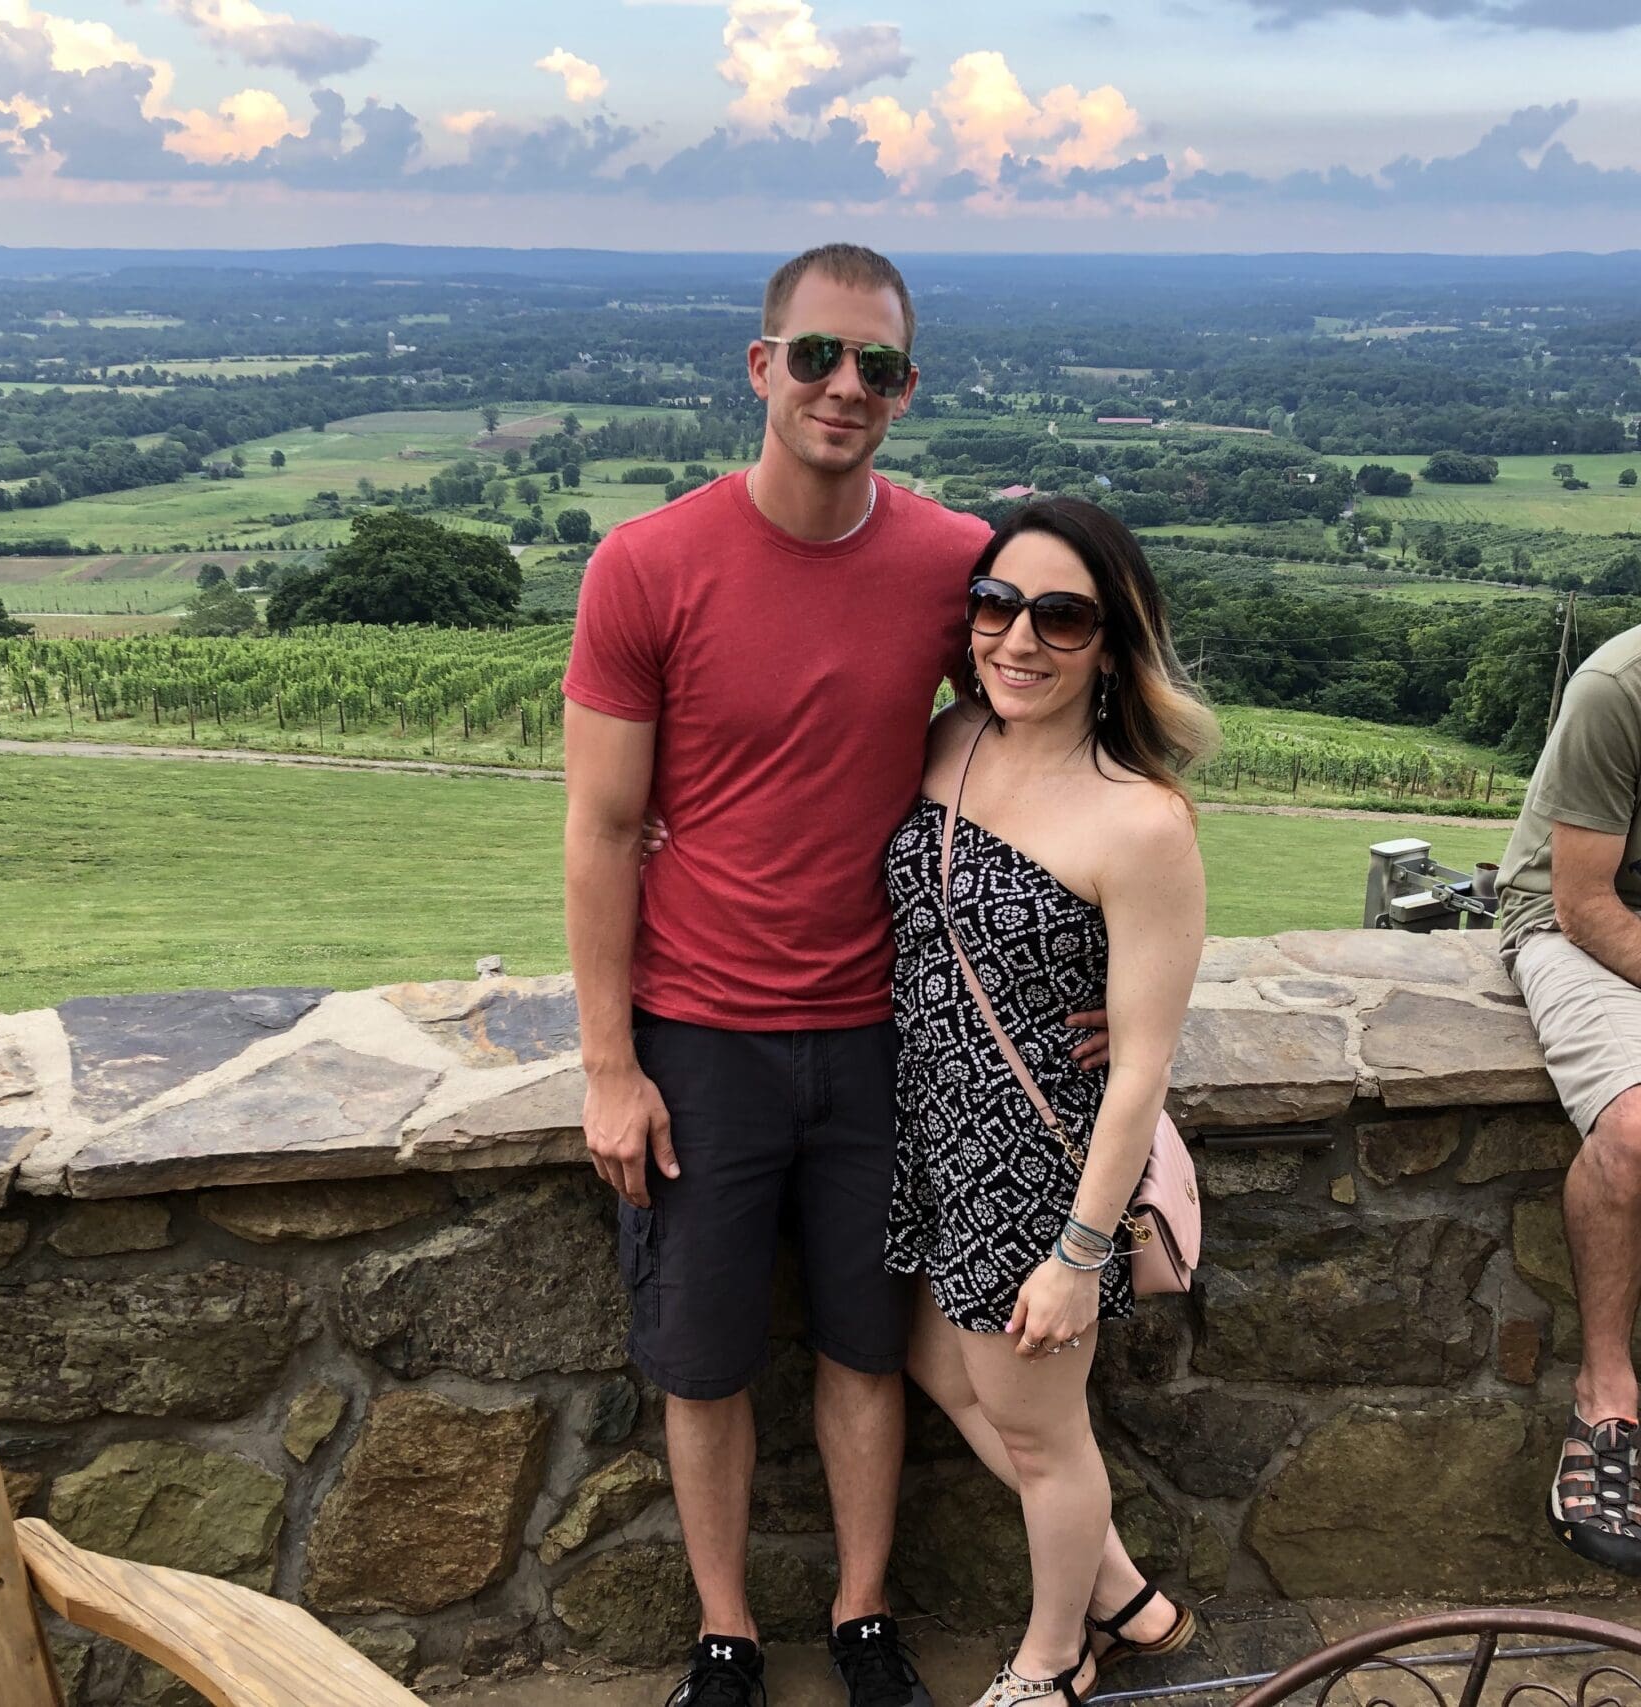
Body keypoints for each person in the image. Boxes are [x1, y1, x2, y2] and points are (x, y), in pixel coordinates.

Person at [561, 244, 1110, 1707]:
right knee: (703, 1357)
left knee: (868, 1347)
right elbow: (604, 824)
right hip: (700, 1033)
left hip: (884, 1033)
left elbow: (1047, 740)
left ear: (907, 390)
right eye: (816, 355)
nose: (843, 386)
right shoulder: (647, 564)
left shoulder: (952, 564)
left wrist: (1108, 955)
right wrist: (611, 1067)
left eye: (875, 365)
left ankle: (867, 1617)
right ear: (761, 367)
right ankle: (726, 1632)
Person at [885, 500, 1214, 1707]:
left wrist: (1078, 1253)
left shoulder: (1140, 820)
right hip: (932, 1133)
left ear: (1113, 646)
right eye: (996, 605)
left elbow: (1140, 1064)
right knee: (934, 1362)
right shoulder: (948, 739)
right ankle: (1126, 1596)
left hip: (1035, 1164)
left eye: (1061, 617)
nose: (1018, 638)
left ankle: (1054, 1658)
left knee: (1041, 1433)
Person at [1496, 621, 1641, 1574]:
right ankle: (1606, 1397)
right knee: (1637, 1129)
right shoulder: (1617, 688)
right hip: (1569, 918)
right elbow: (1584, 906)